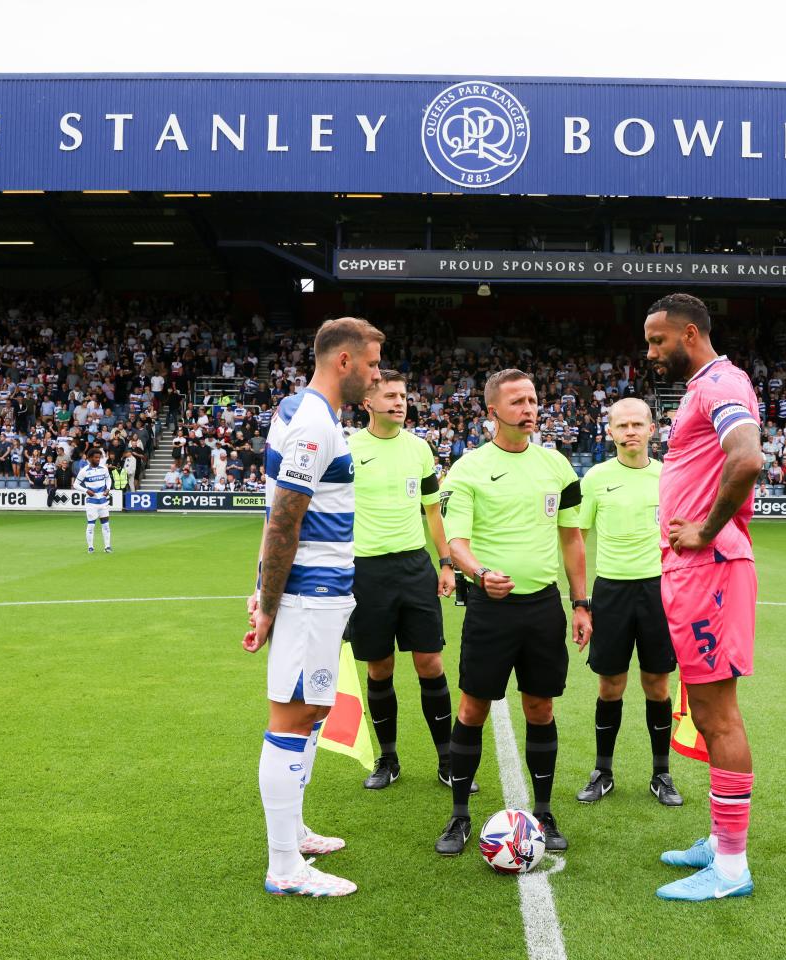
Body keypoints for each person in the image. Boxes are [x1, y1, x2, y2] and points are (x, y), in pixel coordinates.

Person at [243, 316, 384, 898]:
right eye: (372, 365)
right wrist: (270, 602)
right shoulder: (312, 424)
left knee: (312, 711)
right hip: (308, 595)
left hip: (315, 593)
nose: (376, 378)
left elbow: (281, 507)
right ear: (344, 362)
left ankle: (293, 832)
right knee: (294, 716)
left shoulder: (300, 410)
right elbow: (284, 519)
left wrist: (262, 588)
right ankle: (285, 868)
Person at [433, 369, 592, 857]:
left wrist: (581, 602)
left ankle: (542, 811)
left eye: (533, 399)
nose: (529, 408)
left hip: (543, 606)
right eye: (518, 401)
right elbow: (455, 541)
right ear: (492, 413)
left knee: (540, 708)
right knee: (472, 708)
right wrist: (481, 575)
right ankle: (460, 816)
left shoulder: (558, 467)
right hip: (490, 606)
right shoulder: (467, 470)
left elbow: (572, 539)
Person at [643, 293, 763, 902]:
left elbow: (748, 460)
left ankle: (732, 868)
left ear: (689, 333)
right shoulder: (705, 387)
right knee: (711, 708)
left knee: (718, 715)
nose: (650, 351)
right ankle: (720, 842)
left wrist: (707, 530)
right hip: (697, 569)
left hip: (708, 566)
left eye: (657, 340)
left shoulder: (722, 383)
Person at [347, 370, 468, 793]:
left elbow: (433, 511)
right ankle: (389, 758)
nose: (400, 402)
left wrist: (446, 562)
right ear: (368, 402)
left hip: (415, 568)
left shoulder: (419, 449)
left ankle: (448, 760)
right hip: (366, 572)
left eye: (403, 396)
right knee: (380, 667)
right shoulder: (348, 448)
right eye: (391, 396)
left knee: (429, 663)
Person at [574, 398, 682, 807]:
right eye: (623, 425)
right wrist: (581, 601)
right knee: (611, 685)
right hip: (612, 592)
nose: (631, 431)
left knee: (657, 685)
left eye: (638, 423)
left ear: (652, 430)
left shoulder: (670, 476)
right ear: (610, 432)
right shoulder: (596, 478)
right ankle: (603, 771)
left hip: (659, 591)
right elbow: (577, 543)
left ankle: (661, 774)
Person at [73, 448, 113, 554]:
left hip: (103, 502)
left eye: (99, 457)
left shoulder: (104, 468)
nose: (98, 459)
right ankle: (90, 547)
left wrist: (108, 489)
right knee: (91, 525)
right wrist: (86, 490)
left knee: (106, 525)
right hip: (91, 503)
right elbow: (75, 484)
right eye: (96, 457)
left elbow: (108, 479)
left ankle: (107, 547)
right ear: (90, 458)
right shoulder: (84, 471)